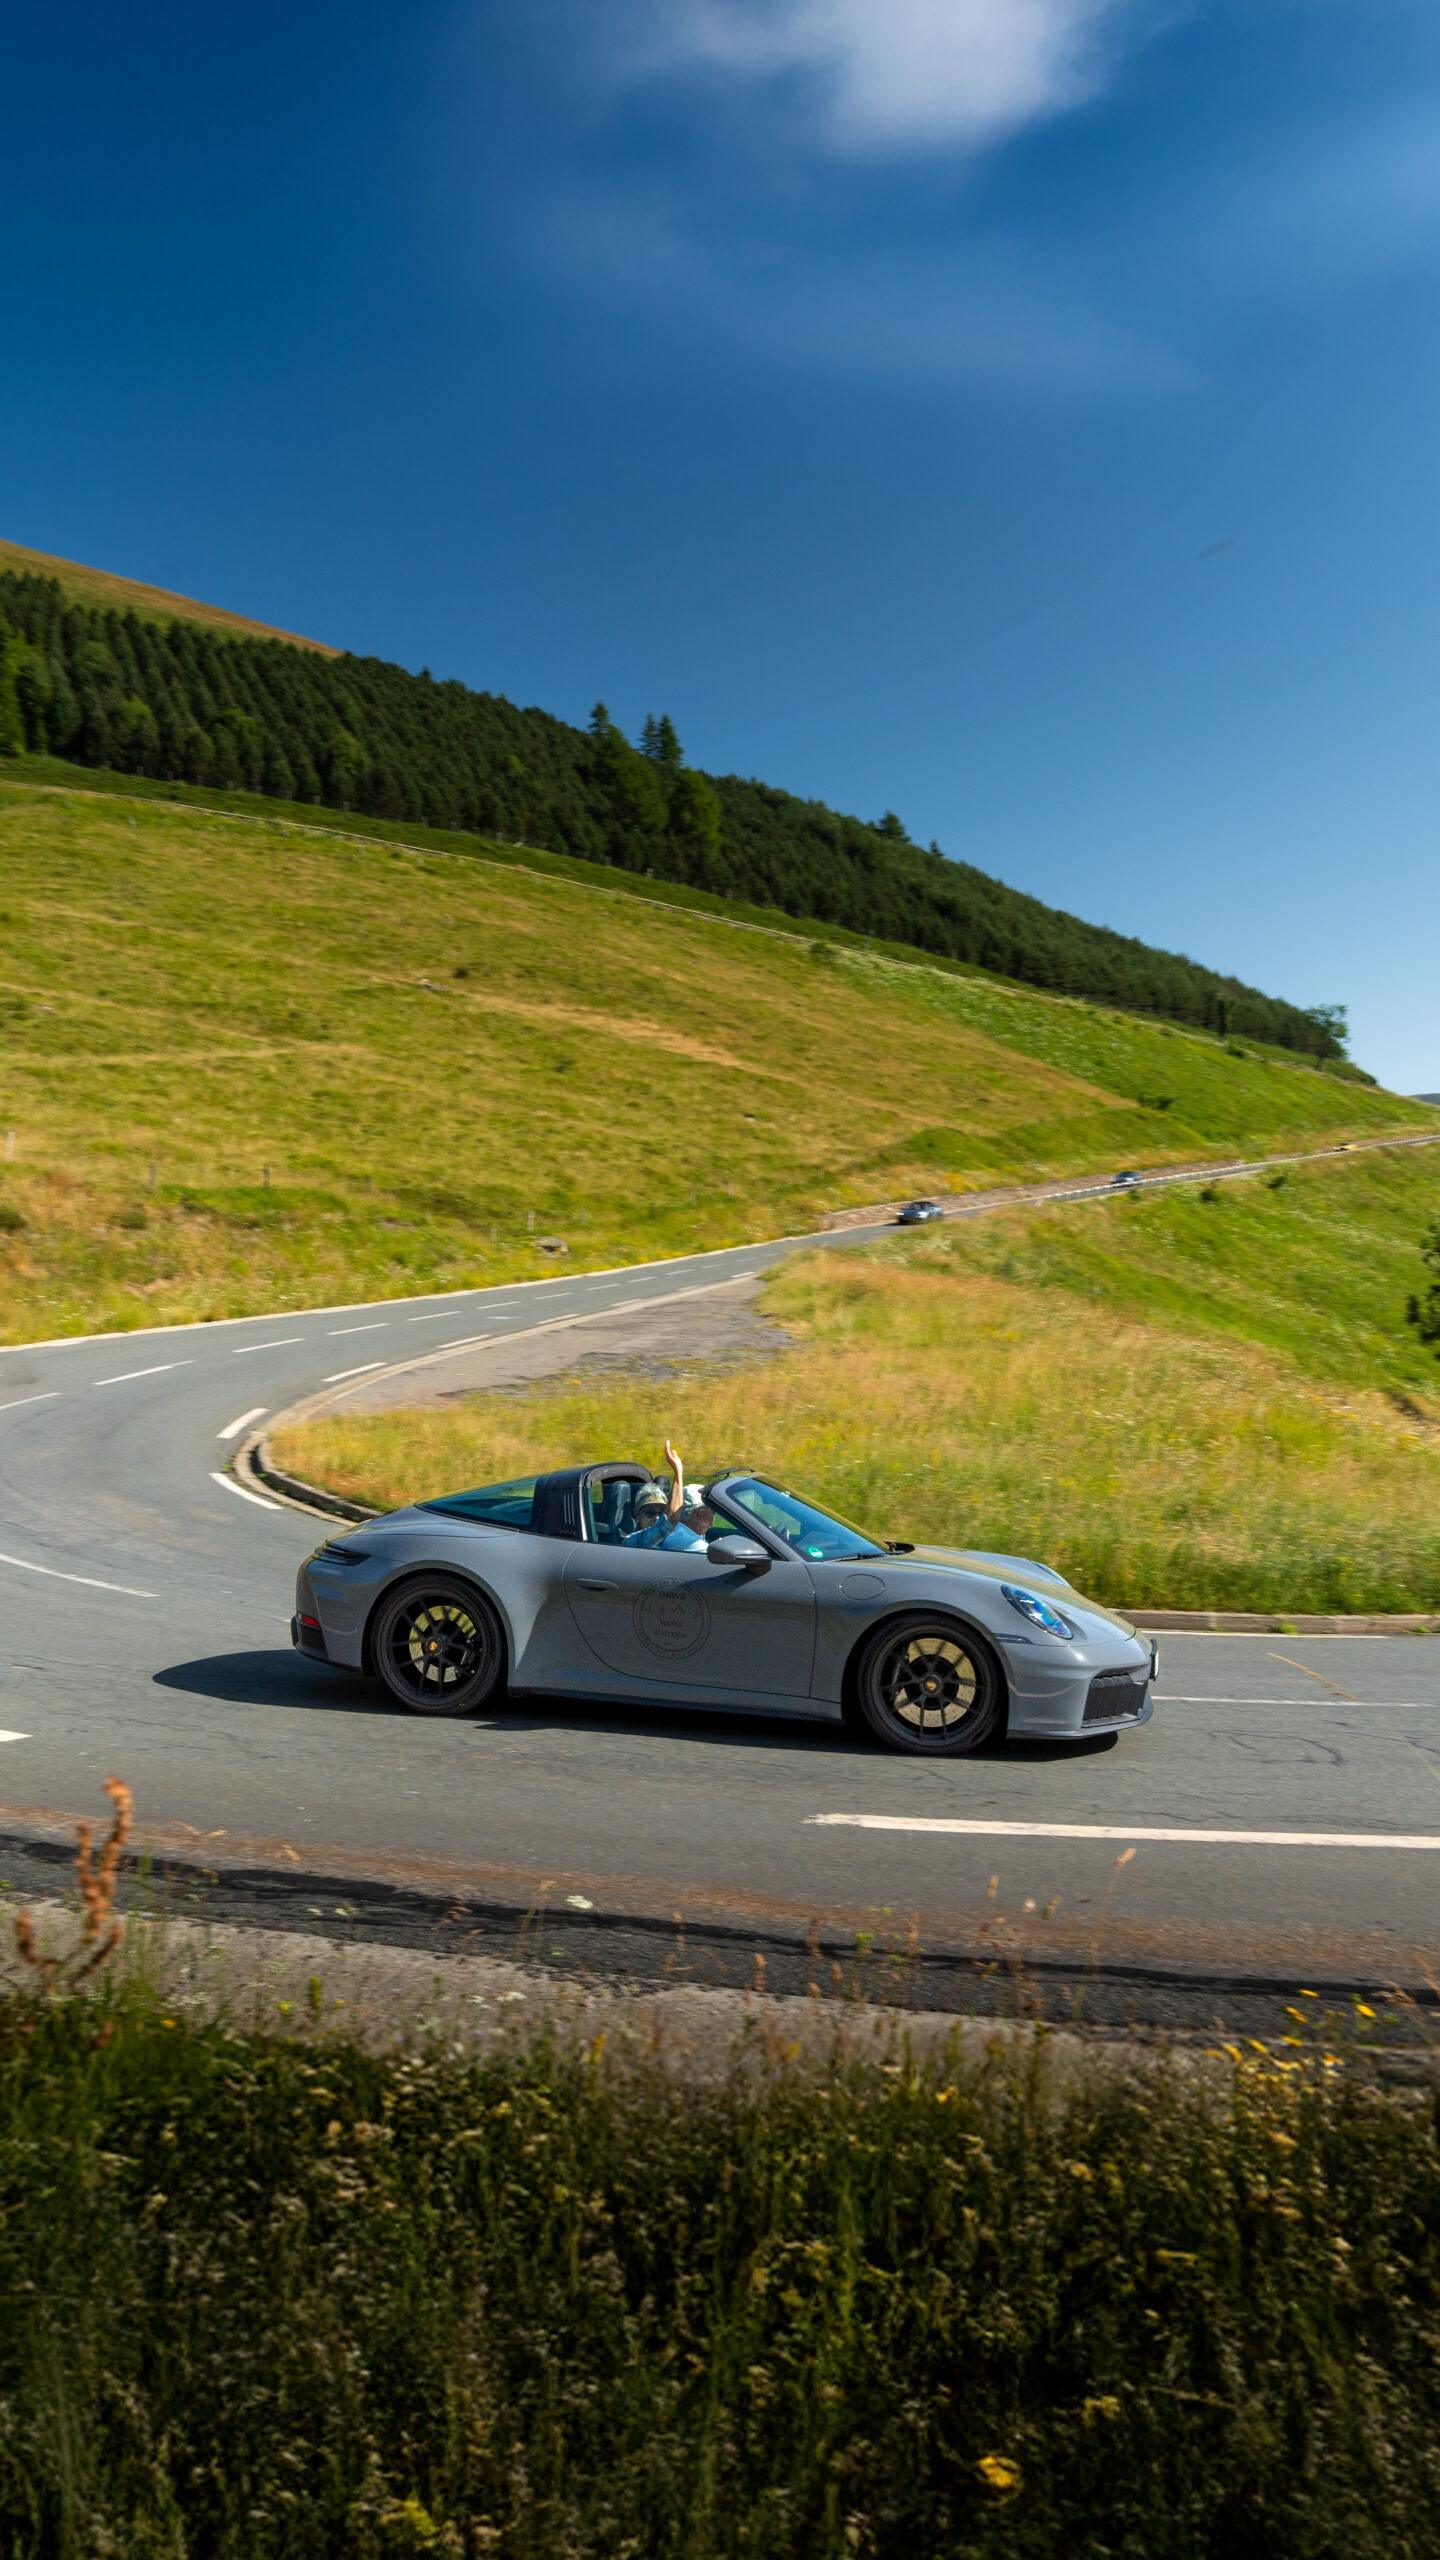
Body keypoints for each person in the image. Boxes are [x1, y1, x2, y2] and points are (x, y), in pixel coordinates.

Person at [624, 1439, 686, 1546]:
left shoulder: (670, 1537)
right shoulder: (633, 1541)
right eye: (650, 1513)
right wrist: (678, 1472)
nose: (657, 1517)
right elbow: (671, 1520)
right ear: (638, 1516)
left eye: (661, 1513)